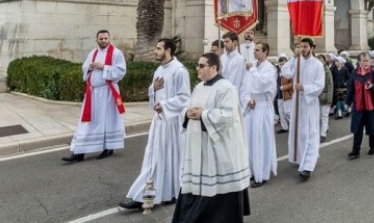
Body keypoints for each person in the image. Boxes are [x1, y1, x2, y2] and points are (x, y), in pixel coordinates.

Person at [172, 52, 250, 223]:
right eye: (197, 65)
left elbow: (227, 116)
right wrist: (187, 113)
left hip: (217, 149)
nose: (197, 69)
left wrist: (203, 114)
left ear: (213, 68)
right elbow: (187, 106)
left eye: (201, 66)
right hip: (199, 147)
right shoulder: (199, 87)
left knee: (217, 190)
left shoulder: (226, 88)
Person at [119, 38, 191, 210]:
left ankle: (146, 196)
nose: (155, 51)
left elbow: (184, 97)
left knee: (166, 159)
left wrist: (164, 105)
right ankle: (166, 193)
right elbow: (154, 92)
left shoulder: (179, 71)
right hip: (158, 121)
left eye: (158, 48)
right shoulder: (159, 69)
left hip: (172, 122)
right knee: (155, 157)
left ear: (168, 50)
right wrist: (153, 88)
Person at [63, 30, 127, 163]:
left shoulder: (116, 53)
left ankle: (108, 148)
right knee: (86, 123)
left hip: (108, 93)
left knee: (106, 122)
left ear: (109, 39)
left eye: (106, 38)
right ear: (96, 39)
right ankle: (78, 152)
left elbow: (121, 71)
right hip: (92, 94)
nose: (104, 41)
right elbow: (84, 67)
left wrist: (103, 67)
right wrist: (89, 68)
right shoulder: (93, 53)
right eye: (101, 38)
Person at [280, 38, 325, 181]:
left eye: (305, 46)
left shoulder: (317, 64)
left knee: (310, 132)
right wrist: (293, 58)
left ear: (311, 48)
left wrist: (305, 88)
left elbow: (320, 85)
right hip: (296, 101)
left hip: (309, 101)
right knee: (299, 132)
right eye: (300, 46)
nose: (303, 49)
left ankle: (308, 166)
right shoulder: (297, 62)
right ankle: (301, 157)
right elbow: (285, 72)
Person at [240, 42, 278, 188]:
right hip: (251, 107)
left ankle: (262, 174)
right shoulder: (253, 67)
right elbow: (244, 87)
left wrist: (252, 70)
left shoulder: (270, 69)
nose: (254, 52)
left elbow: (263, 84)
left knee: (261, 141)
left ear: (265, 52)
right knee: (250, 140)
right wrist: (247, 100)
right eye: (254, 50)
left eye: (257, 50)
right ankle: (252, 170)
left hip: (263, 106)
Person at [346, 52, 374, 159]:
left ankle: (373, 146)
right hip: (358, 106)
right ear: (359, 62)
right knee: (357, 129)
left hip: (372, 106)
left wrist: (373, 86)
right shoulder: (354, 73)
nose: (365, 63)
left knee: (373, 128)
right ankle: (355, 151)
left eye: (367, 60)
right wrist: (347, 103)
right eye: (363, 61)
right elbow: (350, 89)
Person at [317, 53, 334, 142]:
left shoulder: (327, 71)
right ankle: (325, 127)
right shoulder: (315, 71)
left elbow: (330, 85)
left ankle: (323, 134)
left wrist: (329, 99)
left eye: (321, 61)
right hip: (316, 97)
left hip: (325, 96)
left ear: (324, 62)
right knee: (318, 116)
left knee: (324, 116)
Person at [276, 53, 293, 135]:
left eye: (283, 64)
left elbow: (292, 83)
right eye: (280, 64)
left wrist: (284, 87)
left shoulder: (289, 72)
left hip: (286, 94)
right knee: (281, 113)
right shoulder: (277, 71)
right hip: (279, 95)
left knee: (287, 112)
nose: (282, 65)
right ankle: (284, 127)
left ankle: (294, 124)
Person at [332, 55, 351, 120]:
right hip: (336, 88)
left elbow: (349, 78)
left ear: (341, 62)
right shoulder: (334, 69)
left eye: (337, 61)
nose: (335, 62)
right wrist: (333, 83)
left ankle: (349, 110)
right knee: (337, 101)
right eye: (335, 61)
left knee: (344, 101)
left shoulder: (345, 69)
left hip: (344, 88)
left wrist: (346, 82)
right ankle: (339, 114)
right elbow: (332, 78)